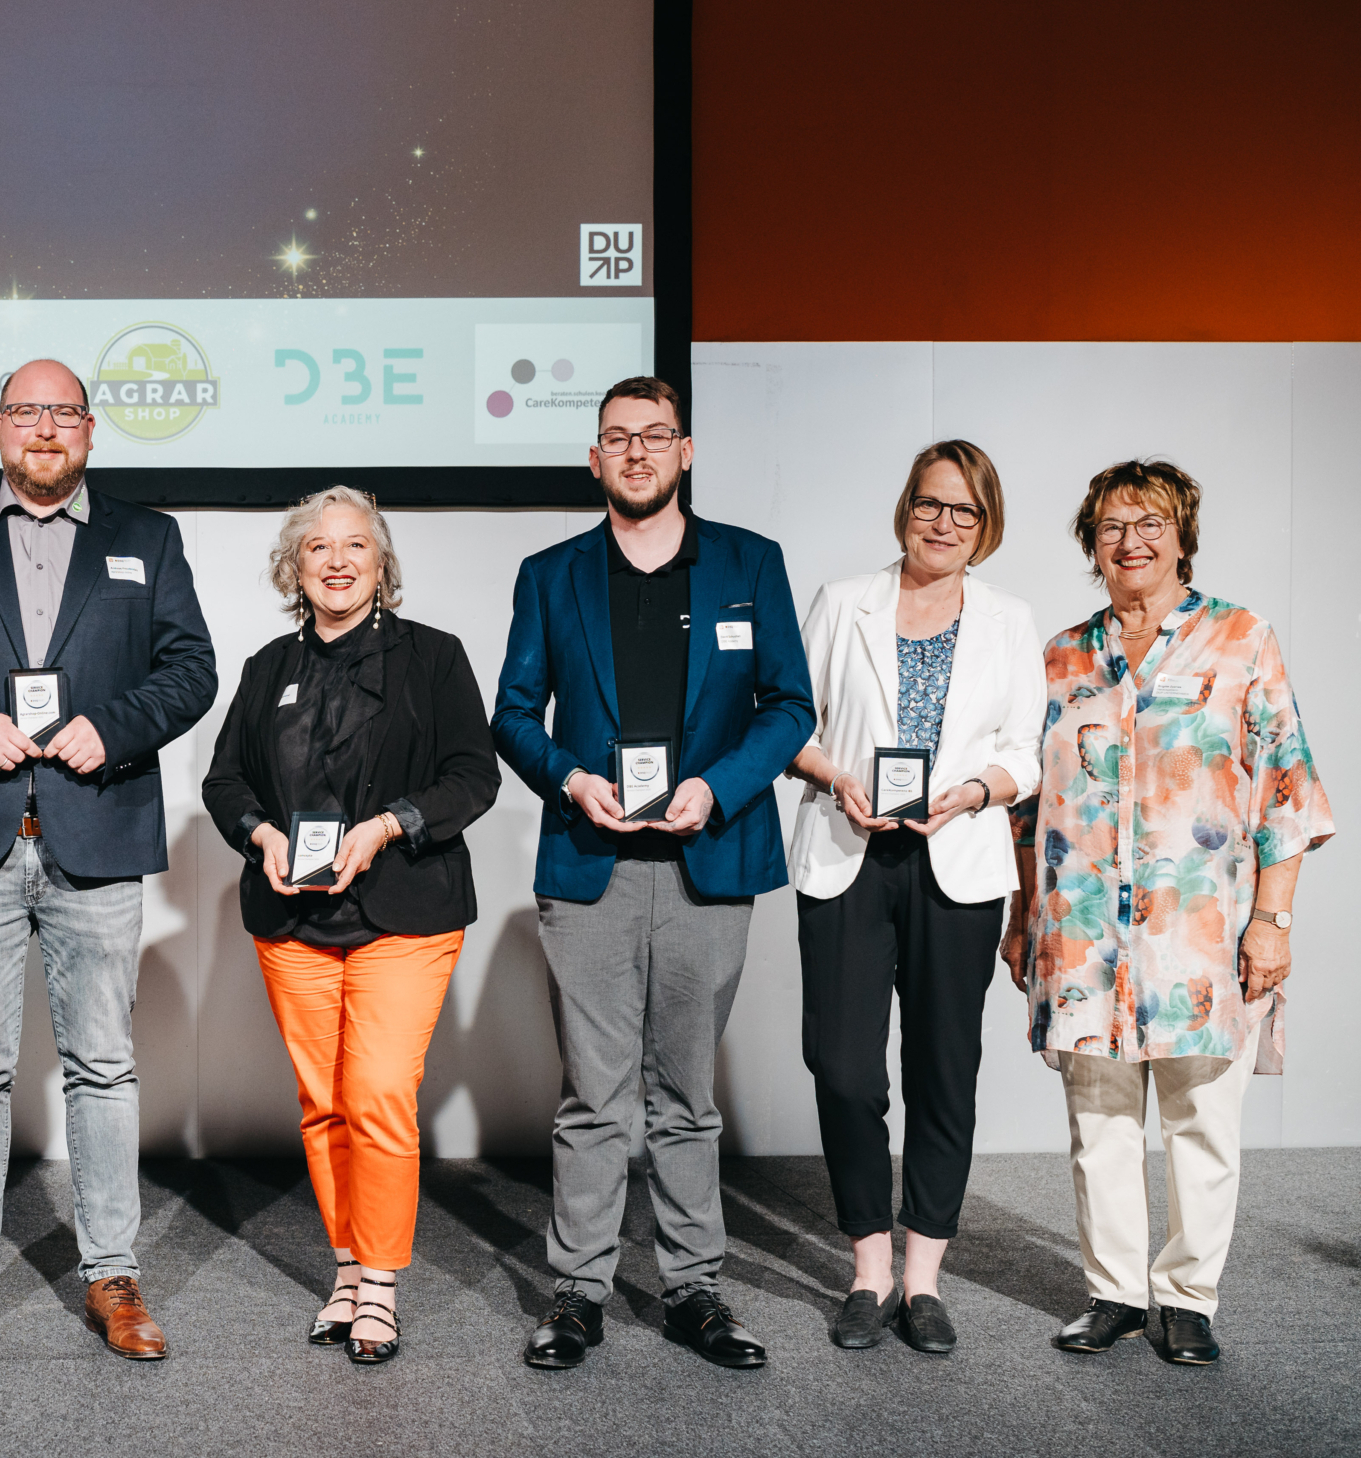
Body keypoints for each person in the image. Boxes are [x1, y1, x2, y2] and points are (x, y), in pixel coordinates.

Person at [0, 358, 216, 1360]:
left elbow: (192, 667)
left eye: (63, 413)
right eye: (27, 412)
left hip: (97, 834)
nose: (45, 430)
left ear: (92, 431)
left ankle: (114, 1278)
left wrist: (120, 727)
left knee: (102, 1068)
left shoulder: (149, 537)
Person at [491, 375, 814, 1372]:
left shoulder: (750, 566)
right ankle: (580, 1292)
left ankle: (692, 1289)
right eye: (617, 438)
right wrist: (571, 778)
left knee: (686, 1094)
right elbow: (512, 714)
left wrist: (717, 788)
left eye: (655, 436)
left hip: (705, 861)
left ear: (685, 452)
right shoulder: (551, 575)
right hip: (590, 864)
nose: (636, 452)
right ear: (595, 459)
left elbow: (789, 708)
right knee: (594, 1094)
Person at [1005, 459, 1331, 1367]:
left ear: (1182, 534)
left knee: (1200, 1122)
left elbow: (1287, 792)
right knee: (1098, 1122)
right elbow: (1029, 807)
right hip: (1081, 935)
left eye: (1150, 522)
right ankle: (1111, 1290)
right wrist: (1023, 910)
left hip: (1199, 937)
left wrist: (1273, 920)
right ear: (1090, 544)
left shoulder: (1241, 640)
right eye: (1112, 525)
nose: (1131, 540)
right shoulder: (1061, 655)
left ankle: (1186, 1298)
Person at [201, 486, 499, 1365]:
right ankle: (343, 1264)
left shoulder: (434, 658)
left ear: (382, 564)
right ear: (295, 566)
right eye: (318, 548)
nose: (337, 561)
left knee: (375, 1094)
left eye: (355, 546)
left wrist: (387, 824)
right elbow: (225, 781)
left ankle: (379, 1282)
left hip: (403, 908)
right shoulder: (266, 666)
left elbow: (472, 775)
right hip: (292, 916)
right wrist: (259, 834)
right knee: (324, 1101)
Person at [783, 440, 1043, 1354]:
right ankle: (868, 1266)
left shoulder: (1011, 620)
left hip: (958, 860)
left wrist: (974, 791)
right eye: (930, 504)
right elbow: (787, 718)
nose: (942, 523)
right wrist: (834, 775)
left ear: (986, 526)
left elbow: (1026, 752)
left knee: (944, 1071)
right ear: (906, 507)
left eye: (964, 511)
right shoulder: (841, 601)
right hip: (849, 850)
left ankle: (923, 1276)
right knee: (844, 1067)